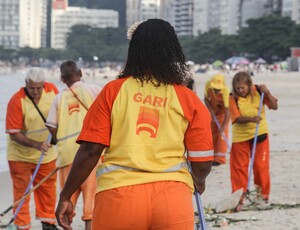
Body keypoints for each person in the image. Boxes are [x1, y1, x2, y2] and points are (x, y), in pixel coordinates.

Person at [55, 19, 213, 230]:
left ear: (134, 50)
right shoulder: (187, 98)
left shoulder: (113, 91)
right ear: (174, 51)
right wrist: (199, 181)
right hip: (172, 199)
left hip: (119, 197)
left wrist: (66, 196)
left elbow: (91, 150)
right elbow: (202, 161)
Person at [46, 60, 102, 230]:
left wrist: (57, 140)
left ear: (62, 79)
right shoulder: (94, 89)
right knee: (90, 202)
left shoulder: (58, 98)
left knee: (67, 201)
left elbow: (51, 125)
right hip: (92, 153)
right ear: (81, 73)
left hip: (66, 156)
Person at [6, 68, 59, 230]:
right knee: (22, 193)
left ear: (43, 84)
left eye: (38, 88)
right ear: (26, 84)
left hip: (47, 155)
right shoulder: (17, 101)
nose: (35, 92)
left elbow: (60, 112)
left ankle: (48, 222)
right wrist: (37, 145)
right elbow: (14, 134)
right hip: (20, 156)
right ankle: (22, 226)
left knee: (48, 190)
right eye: (32, 88)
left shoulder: (52, 91)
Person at [229, 71, 278, 205]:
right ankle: (239, 198)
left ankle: (262, 196)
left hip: (260, 134)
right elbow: (236, 118)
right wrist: (252, 119)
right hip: (240, 137)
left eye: (242, 88)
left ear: (249, 86)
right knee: (239, 169)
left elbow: (274, 106)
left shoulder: (258, 92)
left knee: (260, 166)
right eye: (237, 88)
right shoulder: (232, 97)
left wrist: (267, 93)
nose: (240, 90)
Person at [204, 73, 230, 166]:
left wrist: (223, 126)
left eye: (218, 89)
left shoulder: (226, 91)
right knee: (212, 133)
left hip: (223, 113)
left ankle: (220, 159)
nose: (216, 91)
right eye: (215, 89)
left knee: (221, 135)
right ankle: (211, 157)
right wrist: (210, 110)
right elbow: (206, 99)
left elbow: (228, 111)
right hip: (213, 112)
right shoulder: (208, 85)